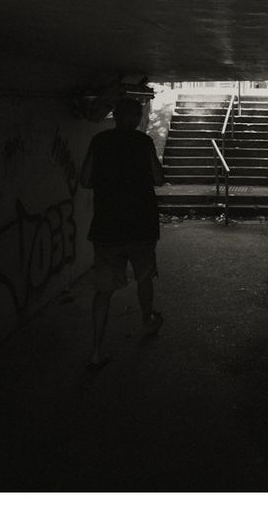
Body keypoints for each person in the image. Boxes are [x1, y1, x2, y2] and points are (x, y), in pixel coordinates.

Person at [80, 97, 165, 368]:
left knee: (103, 291)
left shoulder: (99, 142)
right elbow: (158, 178)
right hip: (140, 226)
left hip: (107, 228)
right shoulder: (143, 143)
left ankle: (95, 350)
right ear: (136, 117)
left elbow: (85, 180)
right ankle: (146, 319)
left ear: (115, 117)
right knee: (144, 278)